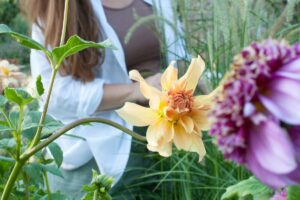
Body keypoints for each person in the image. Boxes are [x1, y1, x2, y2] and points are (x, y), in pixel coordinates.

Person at [21, 0, 189, 199]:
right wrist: (136, 91)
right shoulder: (58, 6)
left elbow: (178, 51)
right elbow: (56, 94)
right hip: (96, 156)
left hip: (167, 145)